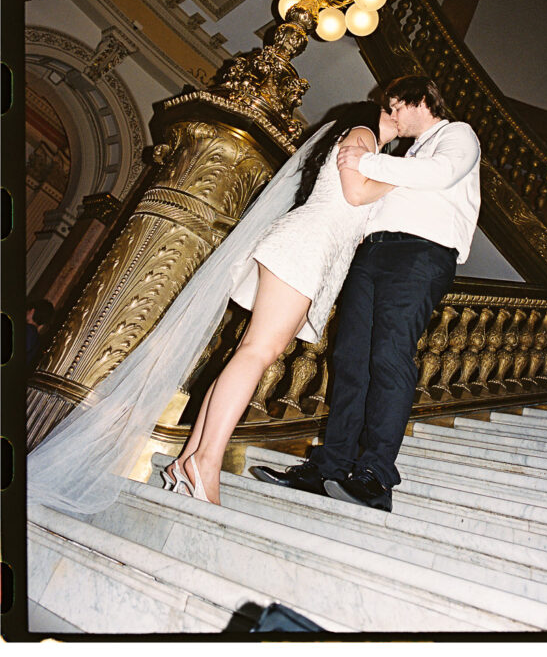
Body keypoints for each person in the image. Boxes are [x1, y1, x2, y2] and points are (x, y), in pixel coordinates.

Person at [27, 100, 396, 515]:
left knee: (253, 352)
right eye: (394, 111)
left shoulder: (367, 146)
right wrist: (402, 180)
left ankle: (192, 459)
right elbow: (355, 191)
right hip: (307, 248)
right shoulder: (365, 135)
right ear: (381, 112)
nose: (399, 120)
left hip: (311, 249)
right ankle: (205, 463)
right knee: (258, 353)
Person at [251, 75, 481, 512]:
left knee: (389, 356)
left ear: (421, 99)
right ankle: (329, 468)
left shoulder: (457, 134)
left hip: (420, 254)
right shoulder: (404, 155)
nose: (390, 115)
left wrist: (363, 161)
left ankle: (375, 477)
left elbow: (441, 173)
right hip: (373, 254)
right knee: (350, 359)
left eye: (395, 105)